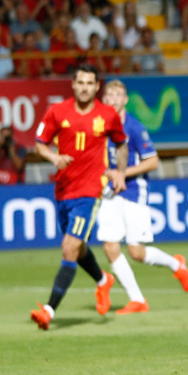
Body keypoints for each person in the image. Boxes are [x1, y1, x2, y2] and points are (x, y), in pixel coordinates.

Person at [30, 64, 129, 330]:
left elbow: (121, 144)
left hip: (90, 191)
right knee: (78, 246)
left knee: (69, 247)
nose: (85, 88)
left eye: (89, 83)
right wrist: (54, 157)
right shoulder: (56, 111)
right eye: (80, 83)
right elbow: (39, 144)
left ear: (97, 87)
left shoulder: (107, 115)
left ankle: (48, 311)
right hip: (64, 190)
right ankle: (103, 280)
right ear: (73, 85)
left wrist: (120, 172)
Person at [96, 80, 188, 315]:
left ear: (125, 100)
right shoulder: (100, 126)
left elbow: (153, 161)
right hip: (110, 192)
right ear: (104, 99)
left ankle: (176, 264)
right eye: (109, 94)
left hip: (133, 191)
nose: (113, 99)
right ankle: (137, 300)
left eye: (118, 95)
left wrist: (123, 173)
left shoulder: (134, 127)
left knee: (136, 252)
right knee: (110, 246)